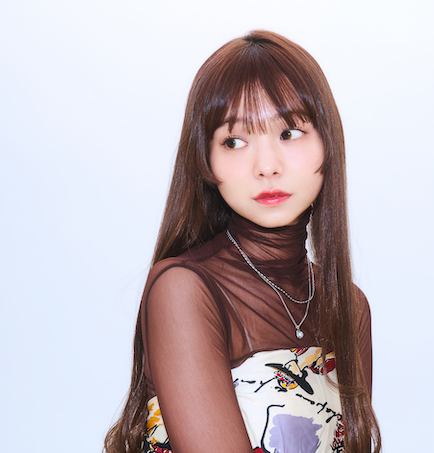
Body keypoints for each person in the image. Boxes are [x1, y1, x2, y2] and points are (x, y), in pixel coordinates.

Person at [105, 30, 381, 453]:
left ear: (328, 142)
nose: (266, 166)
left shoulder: (349, 306)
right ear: (206, 160)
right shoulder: (184, 290)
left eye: (289, 133)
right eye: (234, 141)